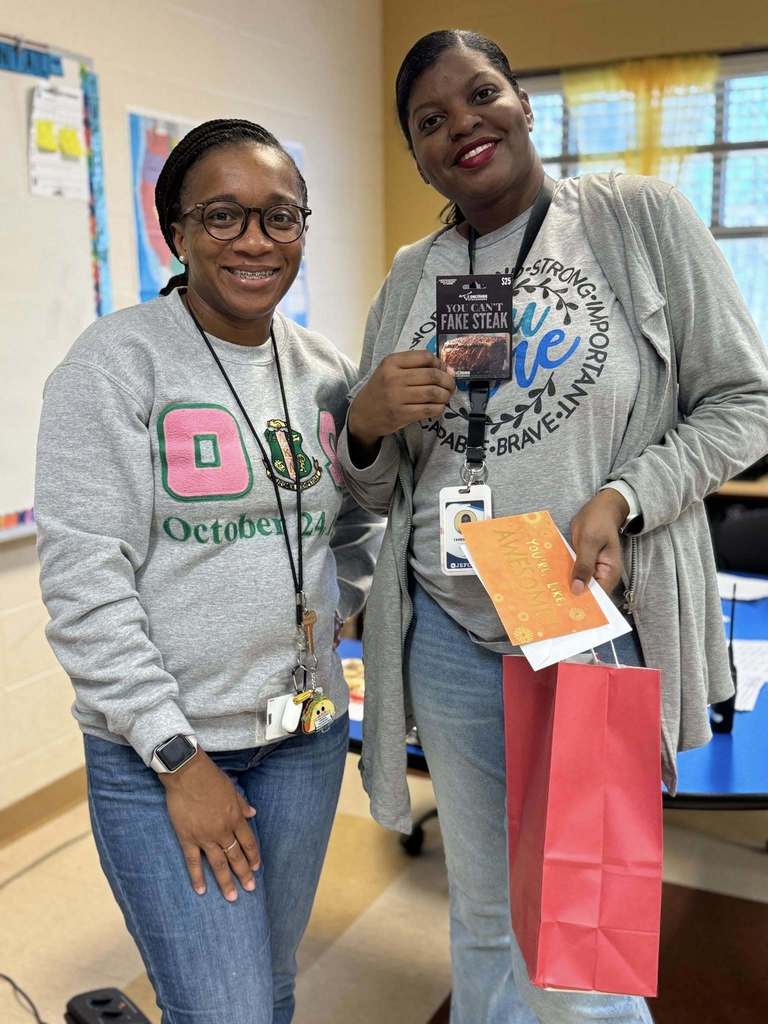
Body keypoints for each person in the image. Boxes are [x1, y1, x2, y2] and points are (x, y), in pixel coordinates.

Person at [338, 29, 768, 1024]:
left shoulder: (630, 218)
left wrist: (624, 494)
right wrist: (364, 423)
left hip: (580, 610)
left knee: (585, 926)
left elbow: (745, 403)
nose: (463, 125)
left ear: (524, 102)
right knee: (482, 912)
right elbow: (370, 490)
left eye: (481, 93)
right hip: (447, 627)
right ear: (417, 155)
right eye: (430, 122)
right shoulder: (415, 274)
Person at [35, 118, 381, 1024]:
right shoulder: (116, 365)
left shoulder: (324, 370)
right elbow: (84, 584)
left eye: (280, 217)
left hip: (303, 740)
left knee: (266, 990)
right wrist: (176, 755)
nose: (255, 241)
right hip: (165, 754)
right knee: (224, 1010)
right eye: (223, 216)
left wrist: (343, 602)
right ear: (175, 232)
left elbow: (350, 527)